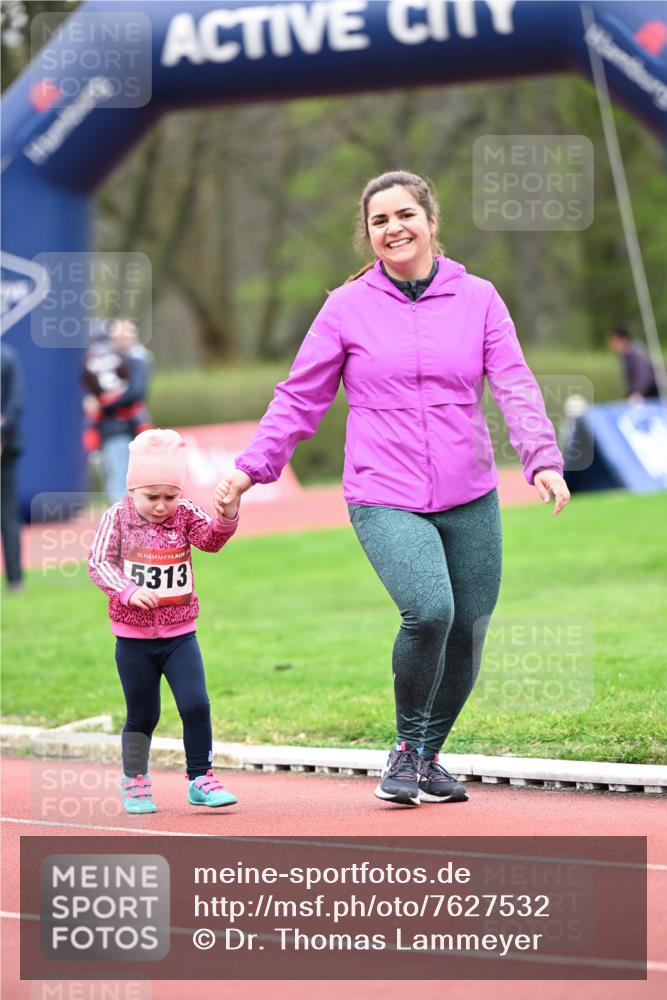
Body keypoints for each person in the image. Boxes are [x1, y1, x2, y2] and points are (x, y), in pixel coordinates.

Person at [217, 170, 570, 807]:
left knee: (469, 627)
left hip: (470, 490)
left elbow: (513, 381)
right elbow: (301, 397)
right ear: (369, 233)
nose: (393, 228)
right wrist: (251, 468)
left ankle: (428, 757)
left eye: (405, 214)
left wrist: (541, 457)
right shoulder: (345, 307)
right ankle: (406, 748)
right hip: (383, 490)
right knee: (430, 610)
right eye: (379, 220)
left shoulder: (479, 298)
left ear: (432, 222)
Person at [88, 428, 240, 814]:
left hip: (180, 635)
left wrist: (227, 516)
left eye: (170, 496)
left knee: (196, 704)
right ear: (132, 490)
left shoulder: (185, 514)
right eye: (151, 497)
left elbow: (211, 540)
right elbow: (98, 562)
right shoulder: (117, 518)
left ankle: (201, 777)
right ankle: (135, 779)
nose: (161, 505)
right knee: (143, 714)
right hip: (134, 639)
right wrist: (127, 590)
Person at [82, 318, 152, 503]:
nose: (123, 338)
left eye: (127, 333)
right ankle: (123, 524)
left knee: (131, 479)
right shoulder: (101, 361)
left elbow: (136, 392)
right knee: (116, 477)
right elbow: (90, 389)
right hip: (112, 429)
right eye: (119, 334)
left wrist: (103, 404)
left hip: (134, 426)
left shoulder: (137, 359)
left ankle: (130, 524)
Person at [1, 341, 24, 591]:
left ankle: (15, 578)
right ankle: (15, 580)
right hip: (7, 445)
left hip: (5, 448)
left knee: (7, 513)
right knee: (7, 513)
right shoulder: (8, 354)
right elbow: (15, 402)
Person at [606, 325, 659, 403]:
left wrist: (638, 392)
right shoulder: (626, 354)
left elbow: (645, 375)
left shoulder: (636, 352)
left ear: (623, 339)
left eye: (614, 341)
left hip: (650, 397)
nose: (611, 345)